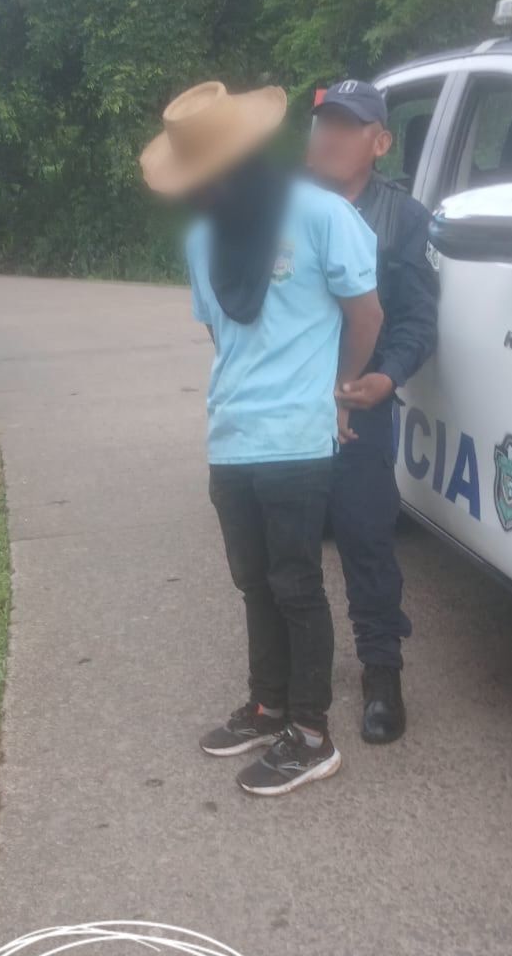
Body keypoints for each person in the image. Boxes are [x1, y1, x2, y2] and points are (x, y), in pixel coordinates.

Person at [141, 80, 382, 795]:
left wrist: (340, 393)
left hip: (297, 441)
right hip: (233, 437)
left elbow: (365, 315)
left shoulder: (321, 215)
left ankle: (311, 734)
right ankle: (268, 704)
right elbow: (224, 337)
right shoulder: (203, 239)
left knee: (296, 586)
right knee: (253, 584)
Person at [307, 79, 439, 744]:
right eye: (322, 122)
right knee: (289, 546)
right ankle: (291, 683)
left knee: (365, 537)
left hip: (360, 404)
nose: (328, 135)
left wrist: (385, 378)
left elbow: (417, 318)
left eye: (347, 125)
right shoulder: (286, 208)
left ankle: (381, 671)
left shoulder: (404, 219)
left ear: (380, 143)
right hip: (291, 406)